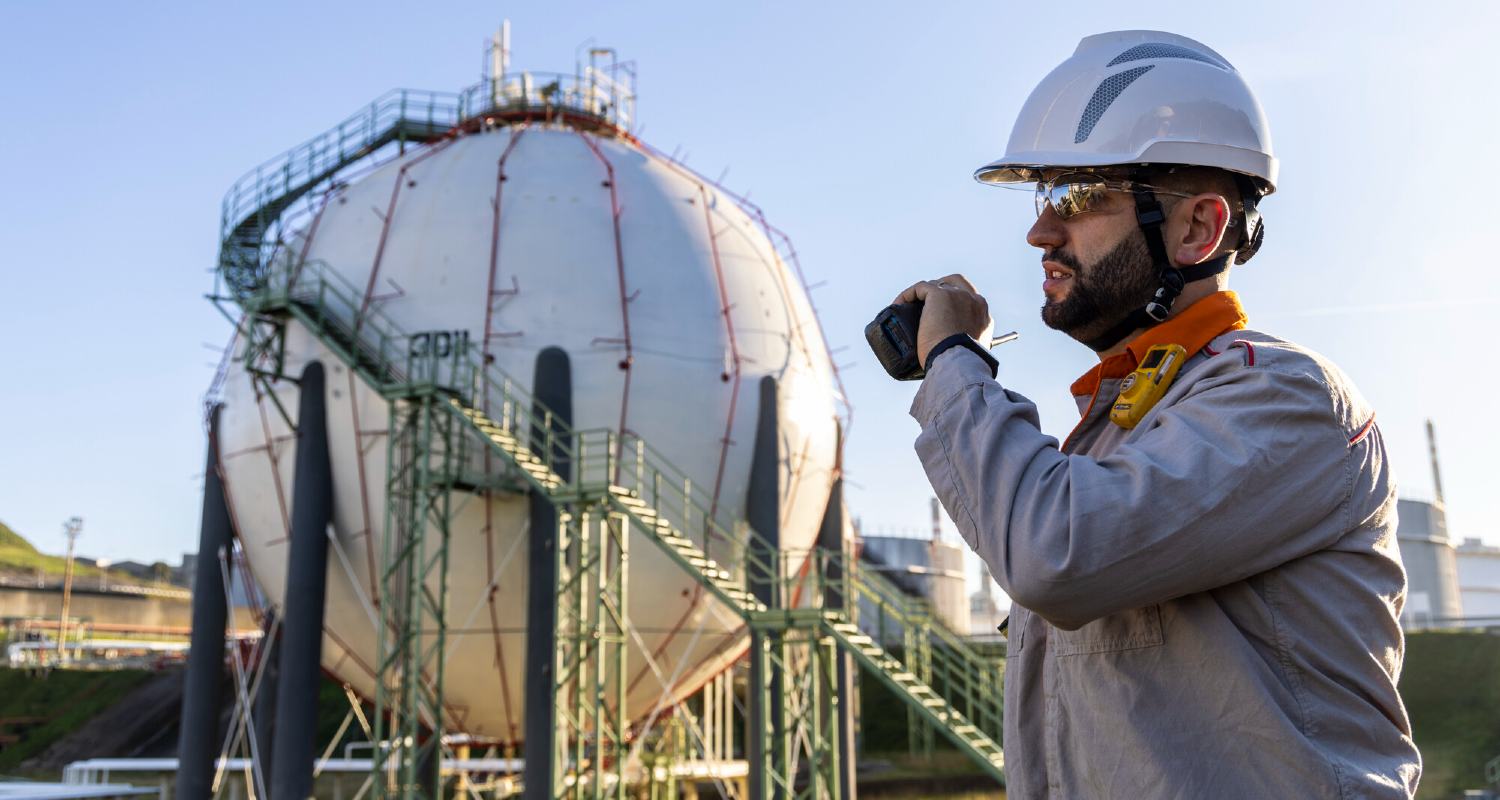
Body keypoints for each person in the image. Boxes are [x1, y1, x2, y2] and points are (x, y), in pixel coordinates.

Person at [896, 31, 1421, 798]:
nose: (1040, 232)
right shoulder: (1125, 419)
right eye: (1044, 196)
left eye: (1077, 198)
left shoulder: (1287, 401)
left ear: (1199, 229)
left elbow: (1056, 553)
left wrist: (954, 365)